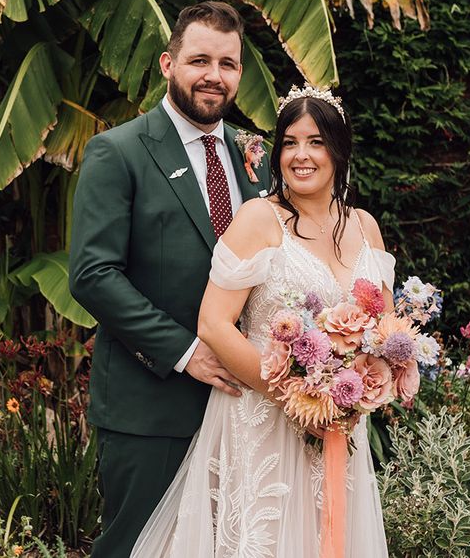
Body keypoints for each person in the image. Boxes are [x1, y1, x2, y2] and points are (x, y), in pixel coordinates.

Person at [130, 86, 394, 556]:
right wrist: (298, 402)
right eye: (290, 142)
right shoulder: (258, 218)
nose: (301, 155)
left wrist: (370, 386)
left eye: (315, 141)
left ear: (340, 148)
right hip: (262, 419)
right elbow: (213, 323)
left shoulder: (365, 226)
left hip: (337, 428)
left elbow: (385, 329)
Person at [69, 1, 272, 557]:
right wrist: (188, 352)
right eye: (199, 59)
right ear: (167, 63)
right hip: (151, 405)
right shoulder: (119, 152)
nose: (214, 75)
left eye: (228, 64)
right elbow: (92, 274)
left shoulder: (258, 156)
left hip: (245, 409)